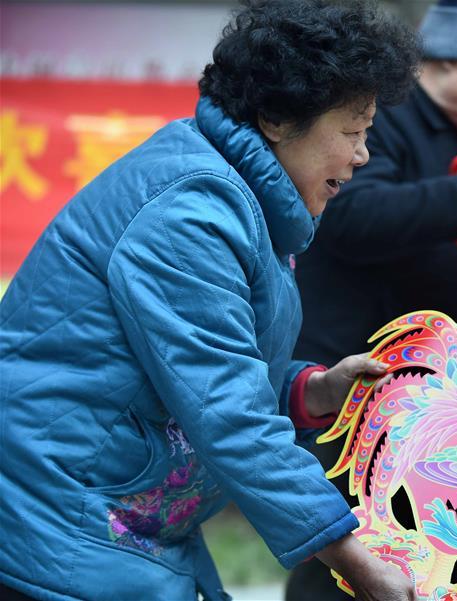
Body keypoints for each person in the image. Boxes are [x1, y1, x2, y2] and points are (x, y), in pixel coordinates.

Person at [0, 1, 420, 600]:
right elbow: (225, 407)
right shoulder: (189, 211)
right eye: (352, 131)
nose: (362, 155)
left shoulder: (243, 198)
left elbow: (198, 374)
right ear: (277, 118)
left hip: (114, 516)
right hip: (59, 520)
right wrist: (355, 559)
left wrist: (309, 391)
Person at [286, 1, 457, 597]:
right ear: (454, 58)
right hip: (348, 398)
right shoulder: (385, 118)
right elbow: (353, 216)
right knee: (343, 564)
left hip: (417, 412)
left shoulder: (451, 140)